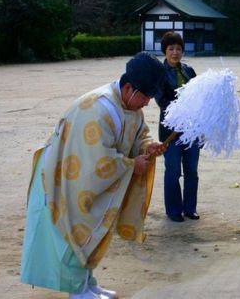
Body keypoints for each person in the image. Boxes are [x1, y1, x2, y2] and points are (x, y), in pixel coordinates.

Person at [20, 52, 167, 299]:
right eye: (145, 96)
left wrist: (147, 147)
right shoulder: (96, 108)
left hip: (87, 183)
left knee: (93, 231)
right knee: (74, 234)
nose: (147, 103)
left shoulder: (131, 107)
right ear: (129, 87)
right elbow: (95, 162)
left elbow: (139, 135)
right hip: (64, 182)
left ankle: (87, 283)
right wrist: (132, 165)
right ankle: (77, 291)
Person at [155, 31, 201, 222]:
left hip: (191, 131)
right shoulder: (159, 73)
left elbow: (200, 96)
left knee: (192, 170)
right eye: (171, 49)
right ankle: (174, 211)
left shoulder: (189, 70)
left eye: (178, 49)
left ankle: (190, 208)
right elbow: (161, 100)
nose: (175, 52)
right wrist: (182, 107)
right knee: (173, 171)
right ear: (165, 51)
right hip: (171, 131)